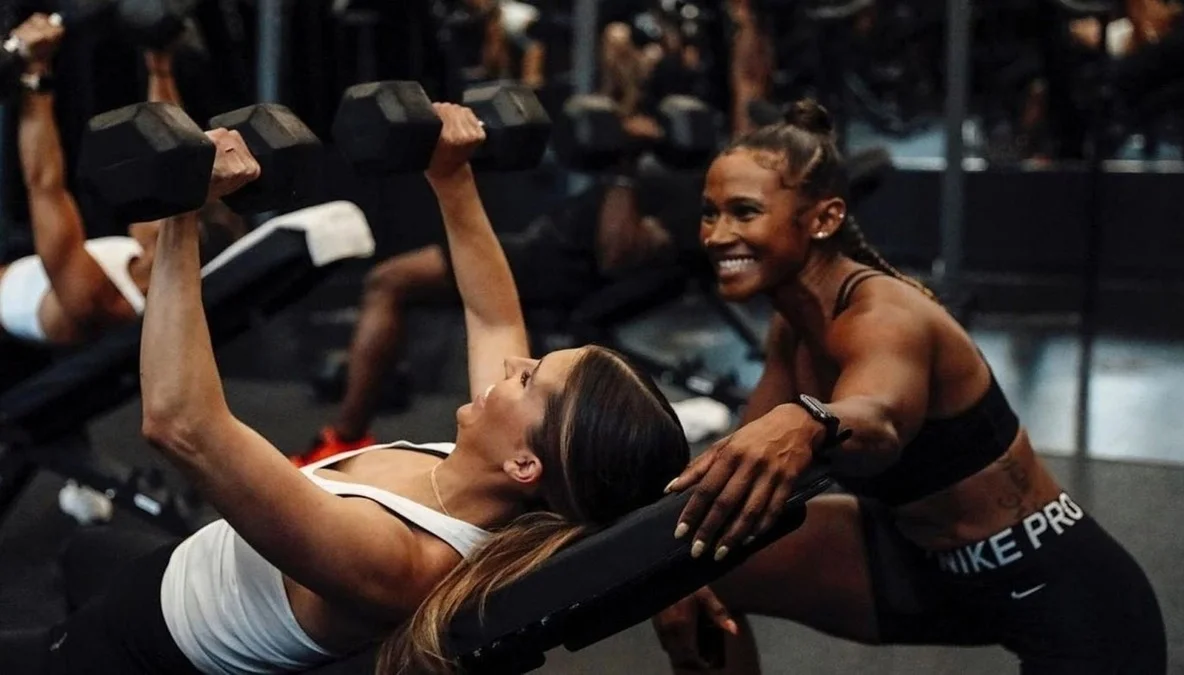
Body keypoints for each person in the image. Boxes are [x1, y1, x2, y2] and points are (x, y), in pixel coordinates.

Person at [0, 103, 689, 675]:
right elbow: (491, 312)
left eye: (531, 377)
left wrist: (183, 217)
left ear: (526, 463)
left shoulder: (398, 556)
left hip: (134, 649)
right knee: (84, 551)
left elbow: (182, 422)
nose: (514, 364)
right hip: (169, 574)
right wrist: (451, 179)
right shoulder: (493, 483)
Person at [651, 100, 1166, 674]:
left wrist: (808, 420)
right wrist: (666, 568)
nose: (719, 235)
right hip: (922, 563)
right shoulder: (791, 327)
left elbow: (880, 418)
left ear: (823, 219)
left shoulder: (882, 315)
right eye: (709, 213)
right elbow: (739, 477)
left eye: (744, 212)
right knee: (701, 564)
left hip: (1049, 579)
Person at [298, 170, 675, 465]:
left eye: (526, 379)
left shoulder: (666, 178)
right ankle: (350, 429)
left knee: (390, 281)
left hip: (550, 267)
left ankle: (346, 436)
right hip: (537, 247)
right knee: (389, 282)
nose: (513, 366)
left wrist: (625, 174)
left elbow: (618, 253)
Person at [0, 13, 242, 347]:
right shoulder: (162, 265)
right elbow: (171, 155)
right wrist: (160, 65)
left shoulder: (98, 300)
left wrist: (35, 74)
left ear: (168, 240)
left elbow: (44, 184)